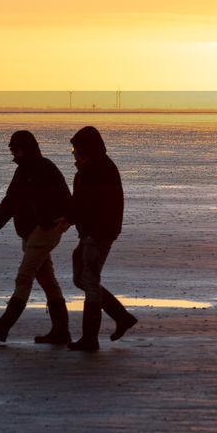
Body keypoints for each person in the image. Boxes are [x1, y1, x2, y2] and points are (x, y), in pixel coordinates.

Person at [0, 130, 73, 344]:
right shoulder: (22, 172)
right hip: (30, 234)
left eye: (15, 149)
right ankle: (61, 331)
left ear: (25, 149)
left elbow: (67, 198)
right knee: (47, 280)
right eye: (12, 150)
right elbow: (8, 204)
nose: (13, 154)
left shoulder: (46, 169)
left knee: (24, 277)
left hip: (45, 231)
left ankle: (4, 325)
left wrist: (67, 219)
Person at [66, 126, 137, 352]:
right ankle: (122, 317)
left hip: (98, 234)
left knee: (89, 280)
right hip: (91, 233)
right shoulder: (89, 170)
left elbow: (95, 206)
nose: (73, 153)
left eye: (76, 149)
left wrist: (88, 231)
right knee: (82, 278)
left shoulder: (101, 170)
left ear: (86, 150)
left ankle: (90, 338)